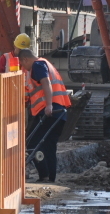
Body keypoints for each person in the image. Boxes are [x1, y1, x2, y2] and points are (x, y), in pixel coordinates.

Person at [19, 48, 72, 183]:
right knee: (49, 145)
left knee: (32, 143)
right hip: (59, 112)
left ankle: (44, 175)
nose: (23, 67)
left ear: (25, 59)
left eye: (22, 63)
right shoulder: (45, 63)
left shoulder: (37, 65)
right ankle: (50, 177)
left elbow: (46, 82)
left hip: (49, 111)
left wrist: (49, 105)